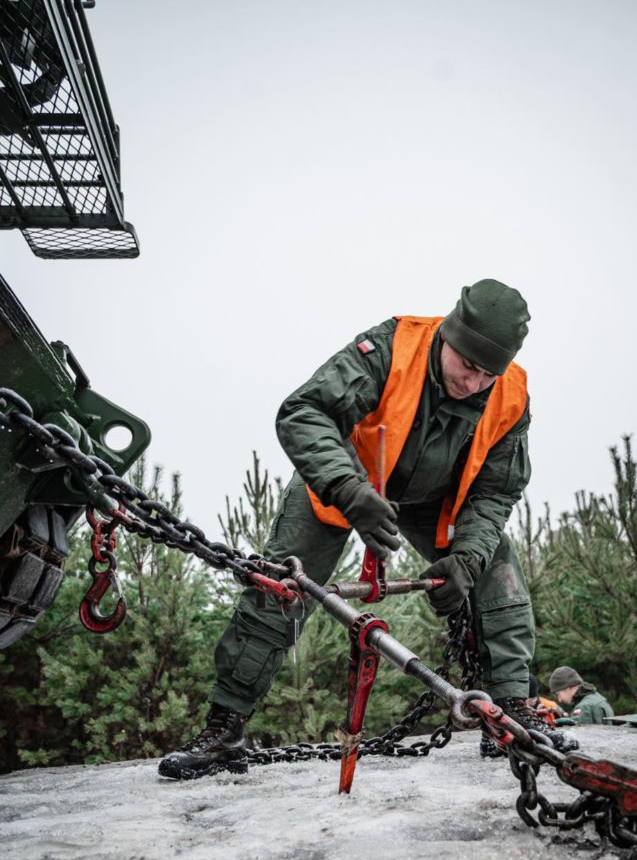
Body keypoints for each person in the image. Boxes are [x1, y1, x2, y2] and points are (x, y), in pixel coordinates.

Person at [159, 279, 579, 780]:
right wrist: (348, 489)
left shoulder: (511, 396)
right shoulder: (390, 349)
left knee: (500, 579)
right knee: (279, 591)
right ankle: (224, 728)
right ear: (447, 336)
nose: (473, 383)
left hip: (435, 498)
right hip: (348, 479)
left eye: (488, 374)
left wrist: (467, 559)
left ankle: (508, 717)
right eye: (467, 366)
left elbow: (495, 490)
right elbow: (304, 411)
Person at [548, 666, 615, 724]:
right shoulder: (598, 698)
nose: (560, 700)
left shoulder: (584, 707)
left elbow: (578, 737)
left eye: (558, 694)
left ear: (567, 688)